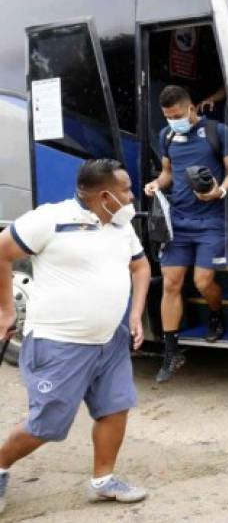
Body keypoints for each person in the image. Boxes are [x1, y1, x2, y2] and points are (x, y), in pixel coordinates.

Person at [0, 160, 150, 513]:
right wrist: (7, 310)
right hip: (59, 342)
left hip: (109, 341)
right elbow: (2, 251)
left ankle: (103, 481)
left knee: (115, 409)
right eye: (126, 189)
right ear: (105, 195)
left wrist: (135, 314)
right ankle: (1, 464)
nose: (131, 196)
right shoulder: (50, 219)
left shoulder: (120, 224)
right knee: (46, 426)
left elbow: (140, 266)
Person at [144, 85, 228, 383]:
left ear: (191, 108)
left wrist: (220, 191)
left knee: (203, 281)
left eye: (176, 115)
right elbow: (168, 173)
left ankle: (215, 314)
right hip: (179, 222)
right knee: (171, 283)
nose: (172, 120)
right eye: (167, 116)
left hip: (211, 220)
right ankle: (171, 353)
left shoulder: (217, 132)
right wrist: (156, 184)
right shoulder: (167, 136)